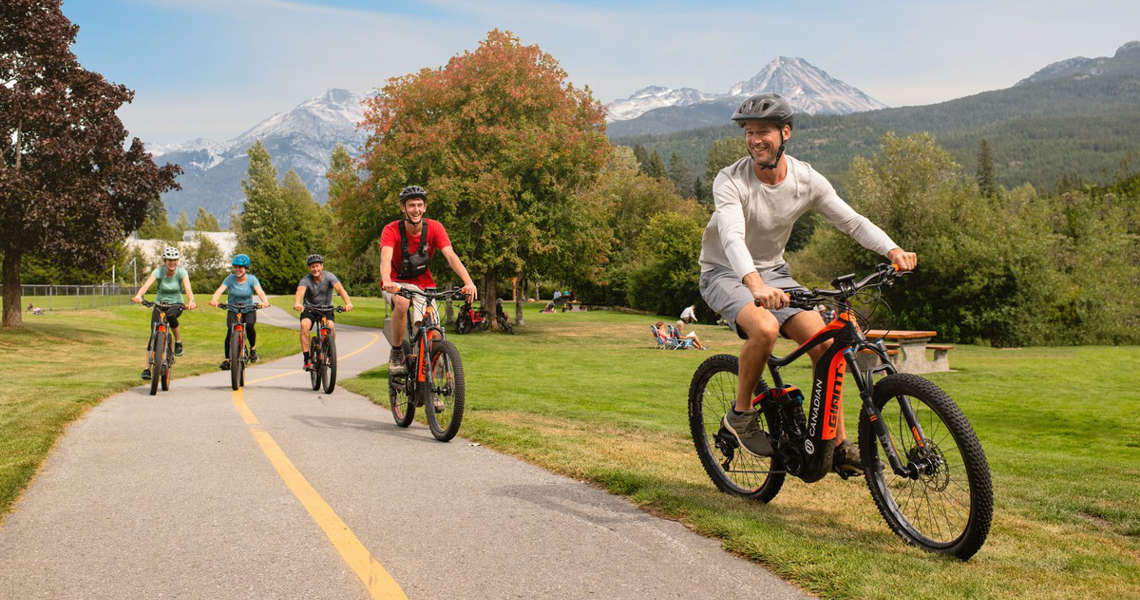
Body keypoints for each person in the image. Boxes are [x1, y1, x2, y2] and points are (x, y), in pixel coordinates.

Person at [699, 93, 917, 474]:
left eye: (763, 132)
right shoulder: (730, 180)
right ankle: (741, 415)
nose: (754, 140)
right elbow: (732, 236)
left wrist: (892, 249)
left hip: (775, 273)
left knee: (829, 345)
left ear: (785, 133)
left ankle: (837, 444)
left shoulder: (806, 179)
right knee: (764, 329)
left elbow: (851, 221)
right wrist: (754, 284)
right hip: (725, 272)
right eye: (749, 133)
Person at [380, 185, 477, 375]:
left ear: (424, 208)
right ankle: (397, 352)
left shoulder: (435, 228)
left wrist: (469, 282)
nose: (415, 209)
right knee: (401, 303)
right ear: (403, 208)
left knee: (433, 332)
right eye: (411, 205)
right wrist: (386, 281)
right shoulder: (391, 230)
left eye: (419, 205)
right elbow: (385, 258)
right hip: (395, 282)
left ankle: (430, 386)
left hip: (424, 284)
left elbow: (450, 256)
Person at [131, 246, 197, 380]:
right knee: (153, 334)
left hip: (176, 304)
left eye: (174, 260)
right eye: (168, 260)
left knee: (171, 316)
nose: (171, 263)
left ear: (177, 261)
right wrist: (139, 295)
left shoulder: (181, 272)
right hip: (159, 304)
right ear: (164, 261)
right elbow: (146, 286)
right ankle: (147, 369)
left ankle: (178, 342)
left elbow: (188, 289)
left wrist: (191, 301)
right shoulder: (158, 272)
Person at [208, 253, 270, 370]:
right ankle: (227, 359)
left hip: (249, 309)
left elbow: (260, 292)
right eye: (235, 267)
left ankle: (252, 349)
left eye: (240, 267)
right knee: (230, 331)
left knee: (250, 326)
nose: (238, 269)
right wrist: (214, 300)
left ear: (246, 268)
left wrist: (265, 301)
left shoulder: (252, 279)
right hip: (233, 309)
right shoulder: (230, 278)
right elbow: (220, 290)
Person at [293, 253, 354, 371]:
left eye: (317, 266)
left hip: (326, 309)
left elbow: (340, 290)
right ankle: (307, 359)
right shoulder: (306, 280)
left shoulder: (330, 277)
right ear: (309, 268)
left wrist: (348, 303)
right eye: (312, 267)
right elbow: (300, 292)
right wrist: (297, 303)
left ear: (322, 266)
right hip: (310, 309)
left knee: (330, 326)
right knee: (304, 325)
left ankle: (329, 350)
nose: (315, 269)